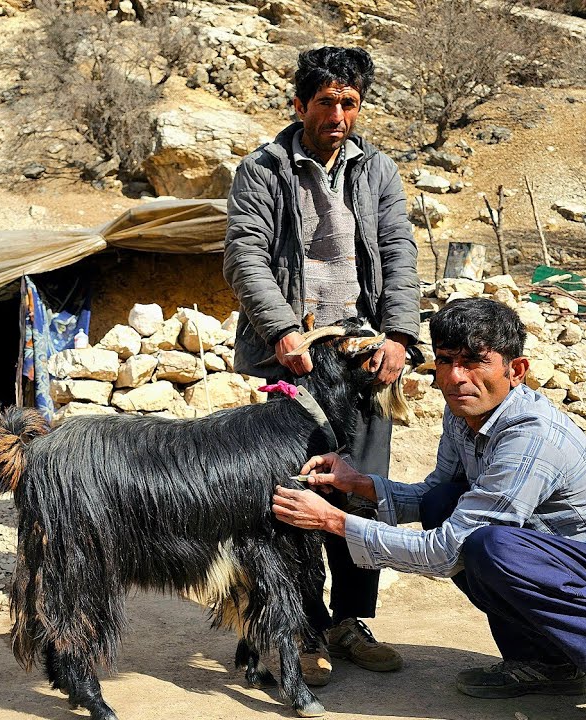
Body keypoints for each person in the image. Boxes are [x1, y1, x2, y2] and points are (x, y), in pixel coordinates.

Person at [273, 298, 586, 720]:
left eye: (476, 361)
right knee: (447, 504)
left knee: (493, 546)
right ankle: (547, 665)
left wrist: (332, 519)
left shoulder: (530, 437)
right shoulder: (463, 415)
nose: (457, 377)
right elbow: (434, 496)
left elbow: (446, 551)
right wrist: (361, 483)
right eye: (445, 360)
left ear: (515, 371)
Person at [224, 45, 420, 684]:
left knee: (361, 488)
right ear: (301, 103)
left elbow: (399, 252)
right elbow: (245, 259)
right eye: (326, 102)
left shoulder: (378, 170)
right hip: (291, 356)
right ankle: (294, 624)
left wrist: (398, 336)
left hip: (360, 359)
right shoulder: (263, 169)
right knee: (286, 496)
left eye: (349, 103)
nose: (338, 114)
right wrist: (282, 329)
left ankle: (350, 620)